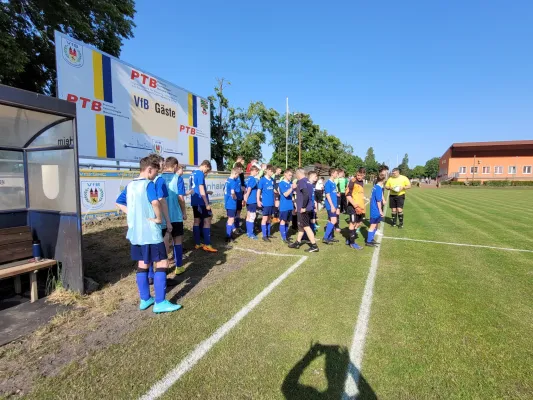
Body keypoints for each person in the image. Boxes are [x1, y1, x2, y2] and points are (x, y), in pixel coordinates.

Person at [115, 156, 181, 313]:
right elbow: (156, 202)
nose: (156, 174)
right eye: (156, 171)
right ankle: (160, 302)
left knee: (143, 263)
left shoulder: (130, 185)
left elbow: (118, 202)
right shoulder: (148, 184)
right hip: (151, 232)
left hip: (136, 233)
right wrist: (159, 218)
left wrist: (133, 214)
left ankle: (145, 299)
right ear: (149, 170)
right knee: (163, 263)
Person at [159, 157, 186, 275]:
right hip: (175, 216)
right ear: (175, 166)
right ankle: (179, 266)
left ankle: (162, 268)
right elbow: (181, 199)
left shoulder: (157, 178)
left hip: (162, 217)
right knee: (177, 240)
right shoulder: (178, 178)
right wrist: (184, 212)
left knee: (163, 242)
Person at [288, 169, 319, 252]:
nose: (295, 176)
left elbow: (305, 194)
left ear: (299, 174)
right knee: (301, 226)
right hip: (307, 208)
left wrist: (303, 207)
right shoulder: (307, 181)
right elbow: (303, 193)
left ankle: (314, 245)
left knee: (306, 227)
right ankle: (297, 242)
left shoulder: (301, 181)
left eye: (296, 174)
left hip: (303, 209)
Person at [191, 160, 217, 252]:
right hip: (201, 202)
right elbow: (201, 189)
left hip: (194, 201)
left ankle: (197, 243)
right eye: (207, 170)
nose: (206, 172)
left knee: (196, 221)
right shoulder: (200, 174)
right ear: (205, 166)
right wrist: (206, 203)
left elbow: (195, 189)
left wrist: (207, 192)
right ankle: (207, 244)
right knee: (207, 220)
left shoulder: (193, 173)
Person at [345, 168, 366, 250]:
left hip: (360, 207)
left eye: (361, 175)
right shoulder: (352, 181)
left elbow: (358, 194)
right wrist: (355, 205)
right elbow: (348, 194)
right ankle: (352, 243)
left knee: (359, 222)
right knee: (352, 223)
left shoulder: (362, 182)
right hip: (352, 207)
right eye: (358, 175)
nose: (359, 177)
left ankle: (349, 238)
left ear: (364, 175)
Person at [257, 165, 275, 242]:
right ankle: (264, 235)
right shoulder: (262, 180)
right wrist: (258, 200)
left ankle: (268, 233)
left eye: (272, 171)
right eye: (271, 171)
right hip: (265, 203)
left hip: (271, 203)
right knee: (264, 219)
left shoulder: (272, 180)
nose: (272, 173)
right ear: (267, 170)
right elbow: (259, 191)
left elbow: (274, 190)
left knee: (269, 218)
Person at [366, 175, 385, 247]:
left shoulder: (375, 187)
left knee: (375, 225)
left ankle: (371, 239)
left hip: (374, 208)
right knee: (373, 225)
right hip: (375, 209)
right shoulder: (378, 188)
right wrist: (380, 211)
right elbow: (378, 201)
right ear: (383, 180)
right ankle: (368, 241)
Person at [278, 169, 295, 243]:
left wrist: (295, 204)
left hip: (290, 205)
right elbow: (285, 194)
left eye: (291, 175)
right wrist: (292, 188)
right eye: (289, 175)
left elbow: (292, 195)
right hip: (284, 206)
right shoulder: (281, 183)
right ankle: (283, 237)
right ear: (285, 174)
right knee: (283, 221)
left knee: (288, 222)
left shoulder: (290, 183)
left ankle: (286, 236)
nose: (291, 177)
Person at [323, 168, 339, 245]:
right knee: (334, 221)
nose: (337, 175)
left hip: (334, 205)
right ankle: (325, 238)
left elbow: (333, 194)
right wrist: (332, 206)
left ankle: (330, 237)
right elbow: (328, 195)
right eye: (336, 173)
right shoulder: (328, 183)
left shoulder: (333, 183)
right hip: (330, 206)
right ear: (332, 174)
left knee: (330, 220)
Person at [224, 168, 239, 248]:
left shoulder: (227, 180)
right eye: (237, 175)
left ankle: (229, 235)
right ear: (235, 174)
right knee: (231, 220)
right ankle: (228, 236)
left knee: (229, 219)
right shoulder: (233, 181)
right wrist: (235, 197)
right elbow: (233, 192)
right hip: (231, 203)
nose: (237, 177)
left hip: (227, 203)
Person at [244, 165, 260, 239]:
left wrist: (245, 198)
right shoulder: (253, 179)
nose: (257, 173)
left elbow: (244, 189)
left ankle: (248, 232)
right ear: (253, 171)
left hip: (248, 201)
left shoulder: (247, 179)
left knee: (248, 216)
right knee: (252, 216)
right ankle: (251, 233)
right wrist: (246, 197)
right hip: (252, 200)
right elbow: (249, 189)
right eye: (257, 171)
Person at [233, 162, 245, 233]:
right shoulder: (234, 177)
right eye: (240, 168)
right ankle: (233, 227)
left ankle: (237, 226)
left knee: (238, 212)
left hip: (240, 197)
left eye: (241, 168)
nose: (241, 170)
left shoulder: (241, 175)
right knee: (234, 213)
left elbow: (243, 185)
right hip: (235, 197)